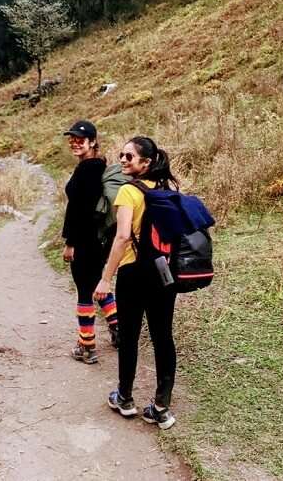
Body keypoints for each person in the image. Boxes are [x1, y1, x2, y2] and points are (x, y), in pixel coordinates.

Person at [94, 136, 180, 429]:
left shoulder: (128, 192)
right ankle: (161, 407)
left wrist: (106, 278)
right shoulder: (168, 190)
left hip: (133, 274)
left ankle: (125, 398)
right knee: (163, 337)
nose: (122, 160)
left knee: (130, 336)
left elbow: (121, 238)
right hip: (164, 273)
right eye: (121, 155)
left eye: (129, 157)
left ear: (146, 162)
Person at [62, 120, 119, 365]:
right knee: (97, 285)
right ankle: (119, 331)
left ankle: (87, 346)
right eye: (72, 140)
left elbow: (80, 210)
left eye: (80, 140)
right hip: (99, 240)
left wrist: (70, 243)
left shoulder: (87, 169)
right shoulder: (97, 166)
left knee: (85, 291)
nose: (75, 143)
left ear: (92, 142)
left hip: (85, 241)